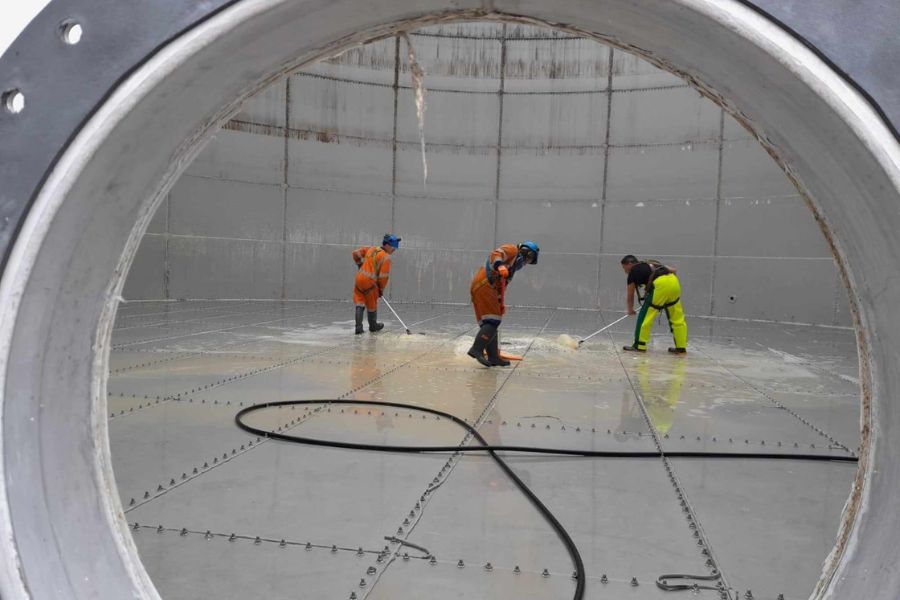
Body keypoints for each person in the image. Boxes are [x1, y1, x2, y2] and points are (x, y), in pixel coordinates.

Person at [467, 241, 539, 367]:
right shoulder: (512, 250)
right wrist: (500, 265)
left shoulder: (511, 267)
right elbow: (497, 253)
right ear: (525, 251)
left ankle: (493, 356)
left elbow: (502, 286)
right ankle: (476, 349)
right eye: (529, 258)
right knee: (492, 321)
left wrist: (500, 303)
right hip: (485, 284)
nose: (526, 263)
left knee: (491, 322)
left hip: (487, 287)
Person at [620, 254, 687, 354]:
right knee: (677, 318)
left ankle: (639, 346)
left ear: (630, 264)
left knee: (645, 317)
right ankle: (681, 347)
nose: (625, 271)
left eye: (624, 268)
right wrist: (669, 288)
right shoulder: (651, 263)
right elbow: (673, 270)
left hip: (660, 285)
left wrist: (630, 309)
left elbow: (630, 295)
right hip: (673, 282)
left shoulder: (633, 272)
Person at [352, 234, 400, 334]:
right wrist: (381, 290)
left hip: (359, 279)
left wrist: (359, 264)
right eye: (393, 248)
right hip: (370, 283)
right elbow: (383, 277)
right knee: (371, 304)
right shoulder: (385, 258)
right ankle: (373, 326)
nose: (394, 250)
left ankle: (358, 327)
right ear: (387, 245)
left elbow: (355, 253)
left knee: (359, 303)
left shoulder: (372, 249)